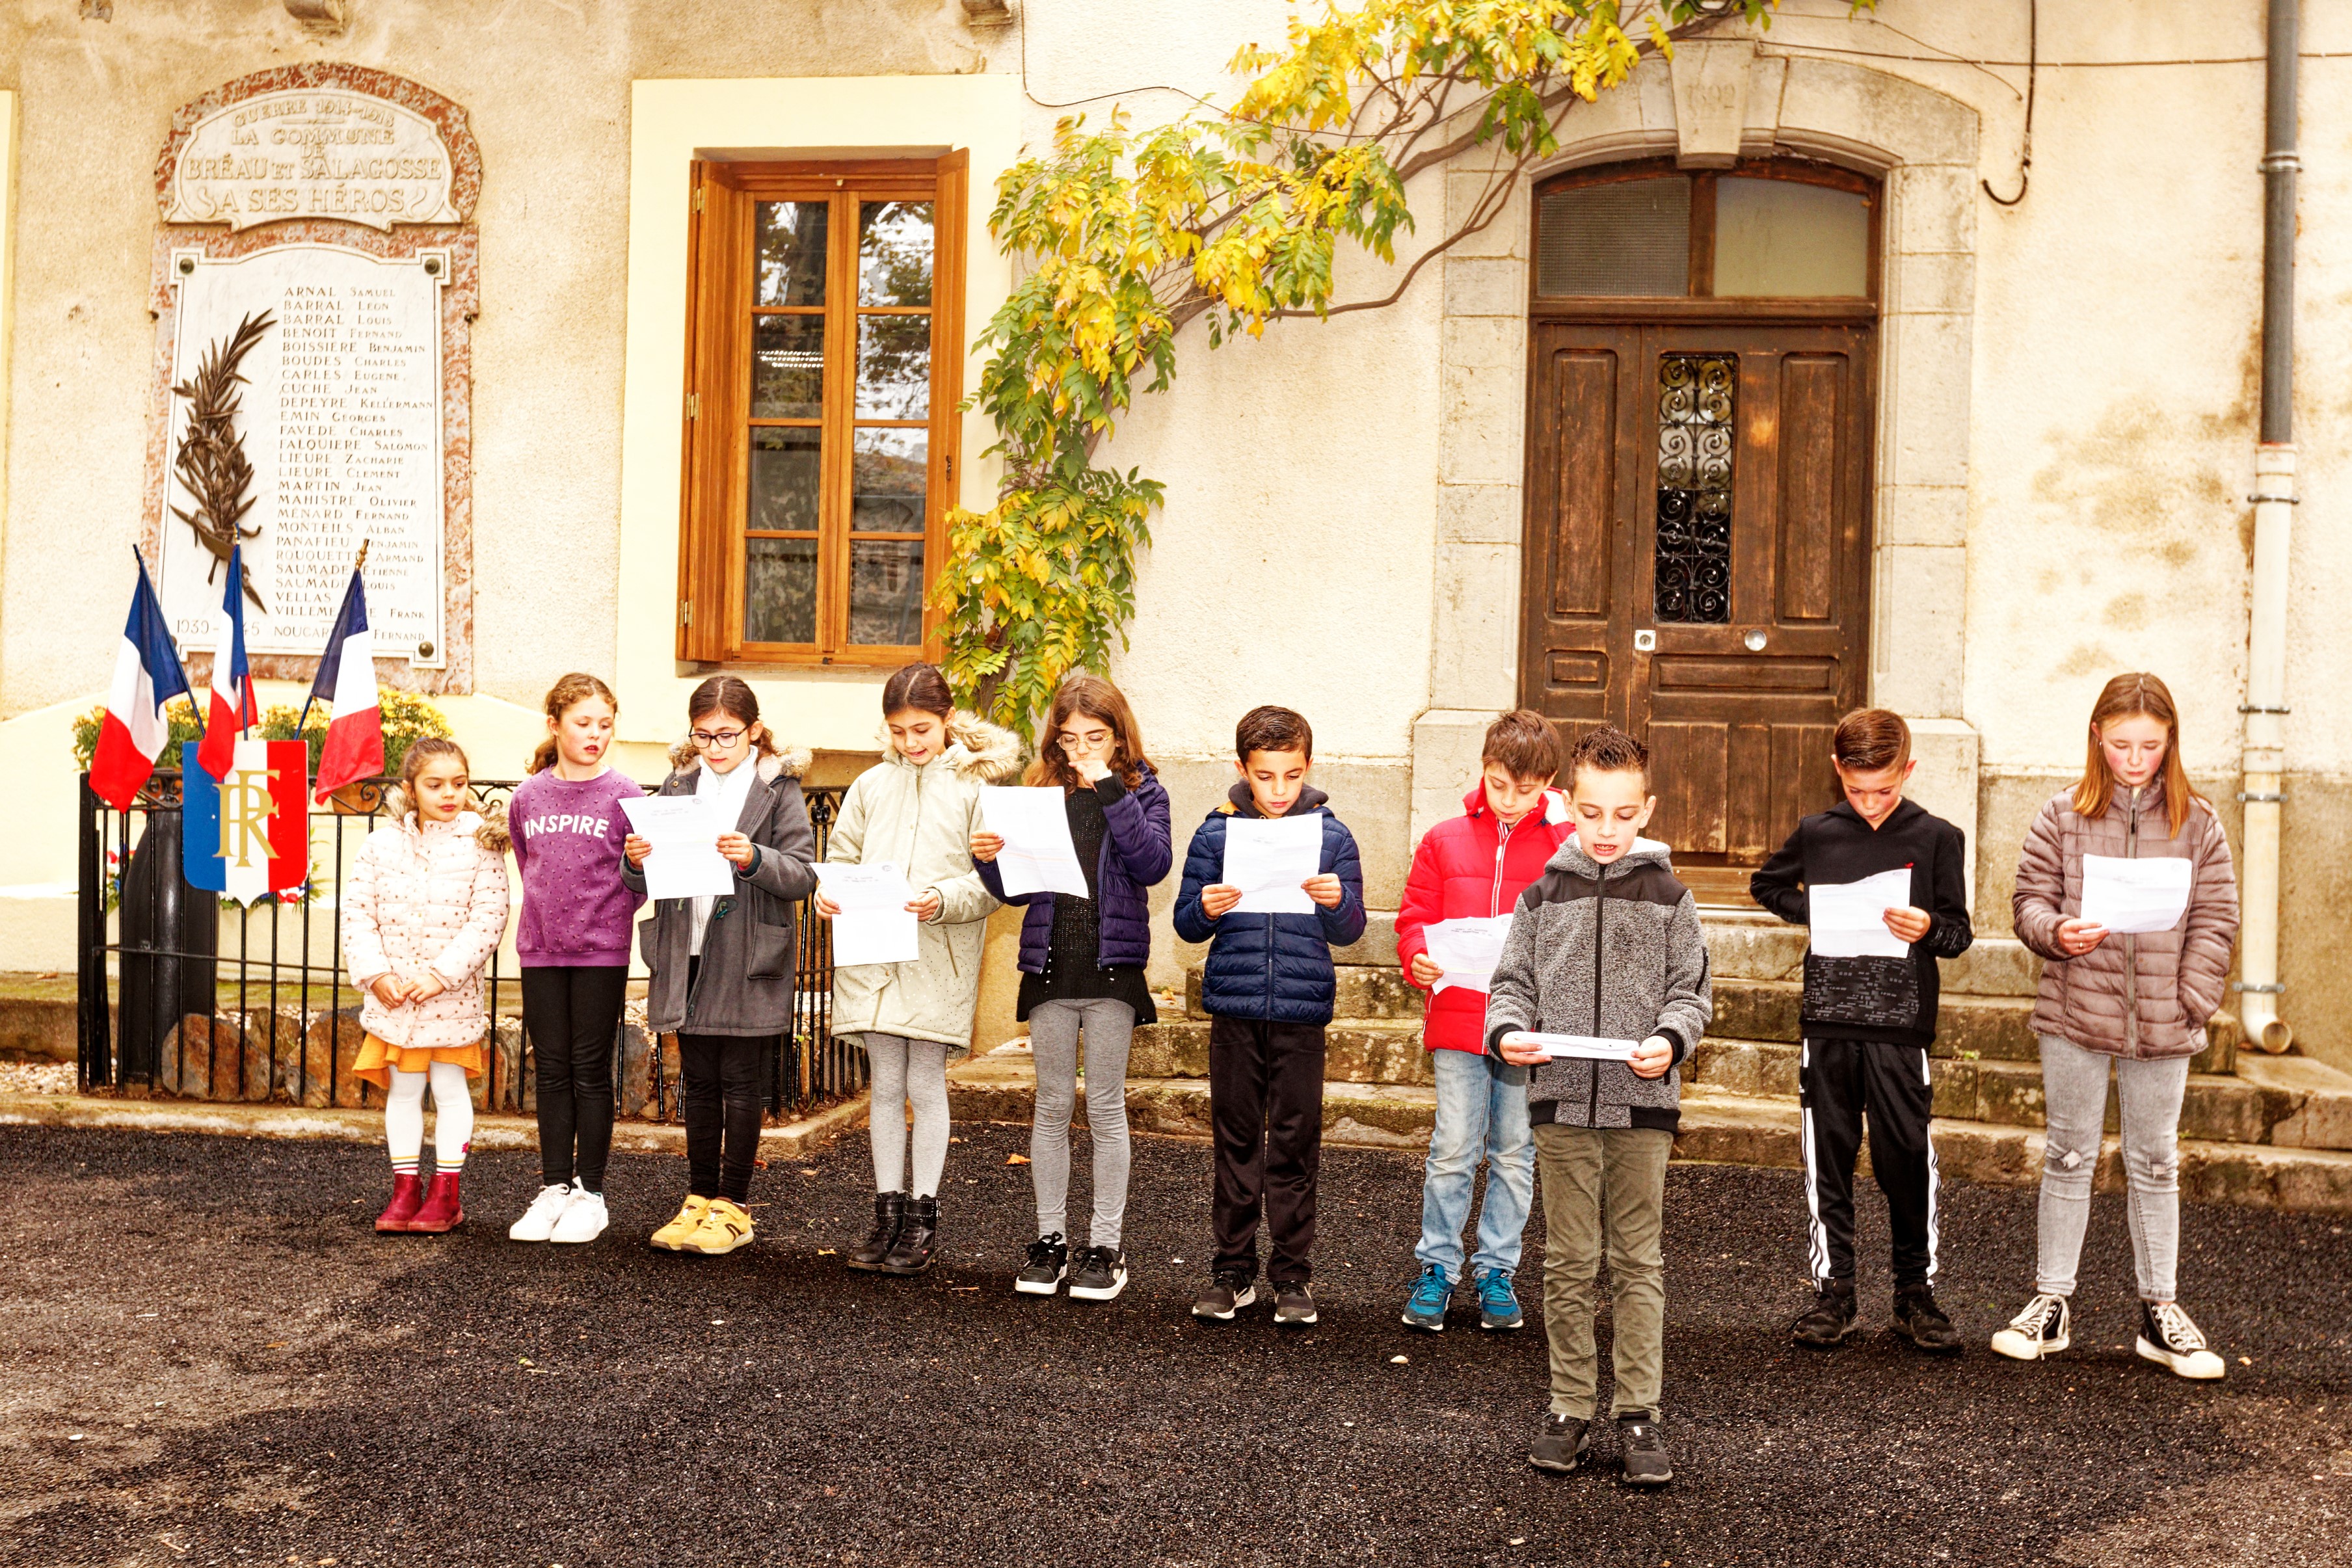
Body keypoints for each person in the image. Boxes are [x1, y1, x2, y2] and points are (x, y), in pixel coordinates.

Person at [1993, 672, 2239, 1380]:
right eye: (2122, 743)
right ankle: (2051, 1301)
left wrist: (2190, 995)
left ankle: (2159, 1311)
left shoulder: (2198, 821)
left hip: (2165, 1020)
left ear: (2170, 744)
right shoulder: (2060, 814)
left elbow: (2216, 916)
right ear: (2096, 737)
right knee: (2067, 1154)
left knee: (2156, 1162)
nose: (2135, 759)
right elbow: (2028, 900)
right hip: (2074, 1011)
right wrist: (2056, 931)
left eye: (2150, 746)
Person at [1487, 726, 1709, 1486]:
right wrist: (1508, 1030)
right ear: (1568, 808)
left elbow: (1691, 992)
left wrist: (1671, 1040)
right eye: (1590, 812)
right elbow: (1510, 983)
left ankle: (1640, 1411)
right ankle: (1569, 1406)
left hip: (1642, 1101)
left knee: (1637, 1260)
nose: (1606, 829)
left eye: (1622, 813)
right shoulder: (1541, 894)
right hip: (1559, 1103)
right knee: (1570, 1261)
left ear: (1646, 809)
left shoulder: (1672, 898)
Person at [1750, 708, 1973, 1354]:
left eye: (1884, 788)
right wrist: (1813, 909)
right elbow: (1766, 884)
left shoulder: (1937, 836)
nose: (1870, 802)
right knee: (1830, 1154)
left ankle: (1914, 1294)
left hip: (1901, 1026)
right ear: (1837, 771)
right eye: (1856, 789)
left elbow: (1957, 932)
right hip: (1828, 1021)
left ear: (1908, 769)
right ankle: (1835, 1291)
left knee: (1906, 1156)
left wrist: (1926, 928)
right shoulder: (1817, 831)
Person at [972, 675, 1171, 1303]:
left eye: (1097, 737)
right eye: (1070, 738)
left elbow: (1152, 863)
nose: (1082, 747)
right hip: (1052, 965)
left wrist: (1108, 785)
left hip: (1112, 967)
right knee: (1052, 1104)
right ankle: (1050, 1239)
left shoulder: (1144, 789)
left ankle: (1105, 1245)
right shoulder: (1040, 790)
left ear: (1119, 736)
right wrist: (988, 859)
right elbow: (1018, 890)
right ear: (1055, 740)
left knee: (1106, 1107)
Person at [821, 663, 1018, 1277]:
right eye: (900, 730)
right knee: (885, 1083)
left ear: (949, 718)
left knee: (925, 1084)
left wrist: (940, 899)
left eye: (924, 728)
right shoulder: (870, 785)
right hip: (873, 952)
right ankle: (886, 1212)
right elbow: (841, 857)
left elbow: (992, 883)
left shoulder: (977, 788)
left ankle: (924, 1215)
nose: (912, 741)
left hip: (939, 953)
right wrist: (830, 891)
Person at [1174, 705, 1367, 1327]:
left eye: (1290, 775)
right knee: (1234, 1140)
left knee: (1293, 1142)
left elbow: (1351, 928)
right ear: (1242, 770)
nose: (1279, 789)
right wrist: (1205, 907)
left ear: (1308, 767)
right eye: (1265, 776)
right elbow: (1184, 922)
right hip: (1234, 1006)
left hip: (1302, 1011)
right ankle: (1231, 1271)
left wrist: (1337, 902)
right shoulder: (1214, 835)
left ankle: (1291, 1274)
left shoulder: (1332, 837)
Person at [623, 677, 817, 1256]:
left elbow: (803, 873)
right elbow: (640, 878)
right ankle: (698, 1198)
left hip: (748, 952)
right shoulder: (678, 785)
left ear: (754, 731)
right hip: (689, 948)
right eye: (702, 735)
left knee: (741, 1082)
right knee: (698, 1081)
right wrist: (636, 861)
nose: (714, 746)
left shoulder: (778, 786)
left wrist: (754, 857)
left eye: (727, 734)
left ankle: (734, 1205)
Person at [1393, 709, 1571, 1333]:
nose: (1510, 799)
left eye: (1526, 789)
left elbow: (1578, 932)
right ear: (1484, 770)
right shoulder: (1444, 838)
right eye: (1499, 784)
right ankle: (1437, 1267)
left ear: (1548, 780)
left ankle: (1498, 1269)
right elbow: (1415, 913)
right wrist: (1416, 954)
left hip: (1529, 1026)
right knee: (1452, 1149)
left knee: (1516, 1151)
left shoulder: (1566, 844)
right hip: (1460, 1013)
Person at [341, 738, 512, 1236]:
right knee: (405, 1089)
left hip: (449, 998)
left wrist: (440, 974)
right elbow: (358, 913)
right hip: (394, 997)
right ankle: (404, 1188)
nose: (449, 794)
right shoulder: (380, 843)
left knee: (450, 1088)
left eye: (459, 784)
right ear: (410, 789)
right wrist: (376, 974)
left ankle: (446, 1192)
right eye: (435, 785)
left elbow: (489, 916)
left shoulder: (483, 842)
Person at [506, 674, 645, 1245]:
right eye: (583, 723)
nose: (595, 735)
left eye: (605, 725)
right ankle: (554, 1188)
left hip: (601, 950)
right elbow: (526, 860)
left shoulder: (627, 794)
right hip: (540, 950)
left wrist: (636, 865)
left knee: (590, 1070)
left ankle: (591, 1193)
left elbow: (642, 880)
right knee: (552, 1067)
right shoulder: (527, 796)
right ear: (555, 725)